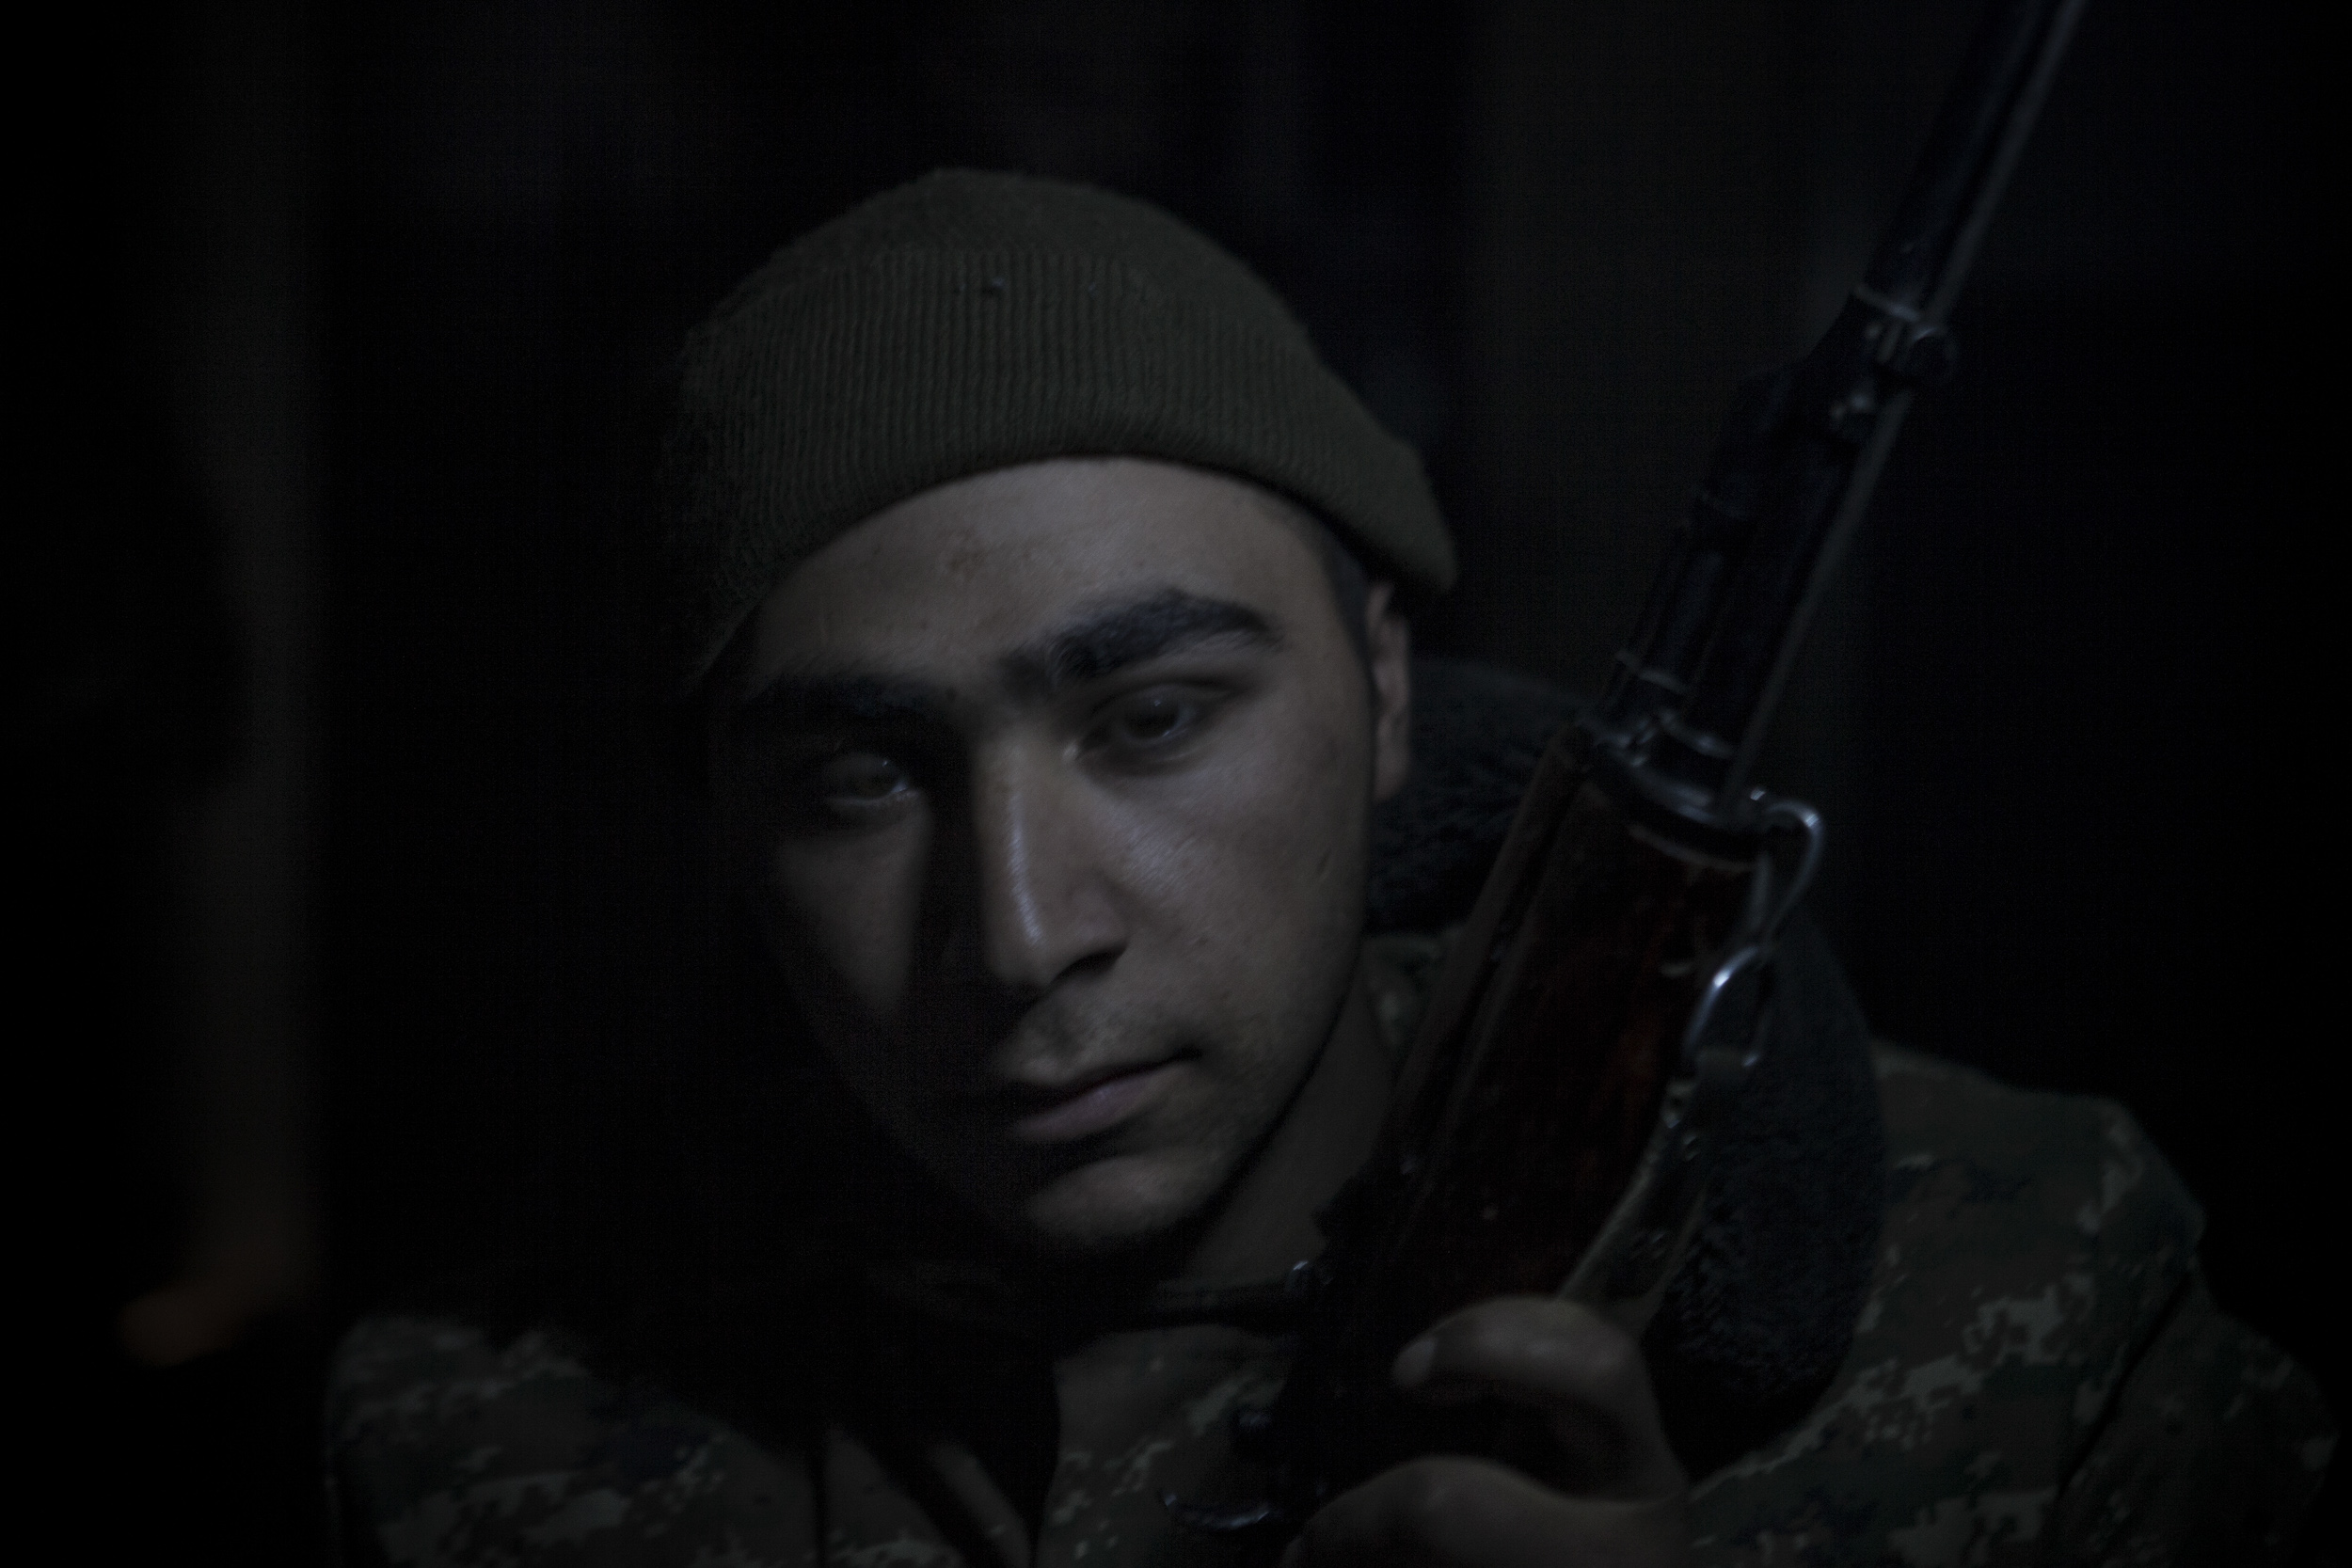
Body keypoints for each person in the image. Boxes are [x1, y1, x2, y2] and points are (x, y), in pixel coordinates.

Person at [325, 170, 2334, 1566]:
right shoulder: (456, 1458)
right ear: (721, 837)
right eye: (859, 776)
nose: (1021, 935)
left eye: (1154, 716)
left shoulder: (2023, 1304)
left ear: (1380, 688)